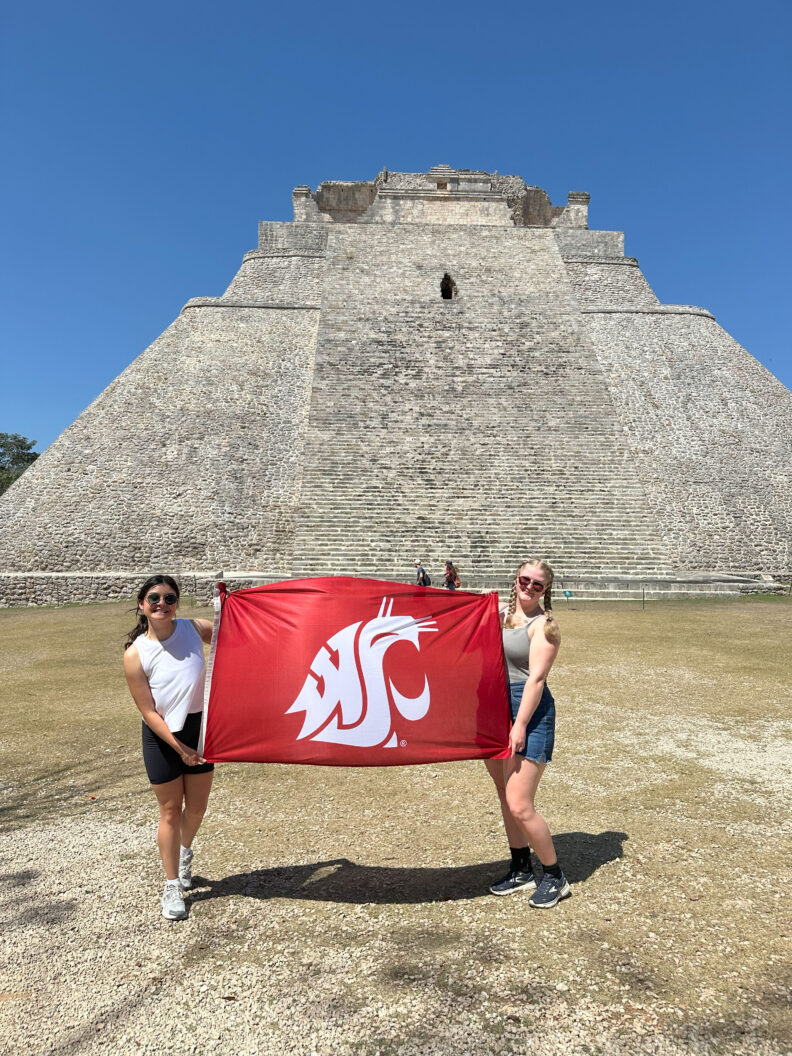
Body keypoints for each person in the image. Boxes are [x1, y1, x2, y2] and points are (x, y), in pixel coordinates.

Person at [123, 575, 214, 920]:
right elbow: (148, 710)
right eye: (154, 598)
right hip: (162, 737)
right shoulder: (135, 655)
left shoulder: (193, 629)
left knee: (197, 809)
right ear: (142, 604)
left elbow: (231, 629)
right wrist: (180, 749)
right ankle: (172, 883)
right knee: (171, 811)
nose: (162, 604)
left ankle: (185, 852)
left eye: (170, 598)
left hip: (199, 729)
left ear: (177, 603)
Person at [484, 559, 570, 908]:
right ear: (515, 579)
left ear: (546, 590)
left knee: (520, 803)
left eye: (538, 584)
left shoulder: (545, 627)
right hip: (496, 707)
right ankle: (520, 867)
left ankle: (555, 875)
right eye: (525, 580)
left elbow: (536, 679)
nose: (529, 587)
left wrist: (519, 725)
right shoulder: (500, 614)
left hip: (528, 712)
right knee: (504, 793)